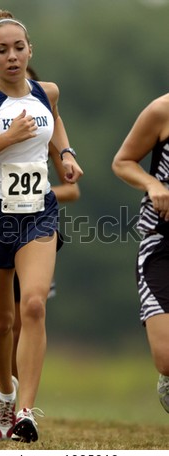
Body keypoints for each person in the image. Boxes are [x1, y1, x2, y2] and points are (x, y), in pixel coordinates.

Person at [0, 8, 83, 442]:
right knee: (1, 321)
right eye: (2, 50)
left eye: (19, 48)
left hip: (38, 211)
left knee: (35, 305)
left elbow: (55, 122)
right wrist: (7, 138)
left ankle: (26, 410)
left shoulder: (48, 92)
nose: (12, 56)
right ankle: (4, 392)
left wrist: (65, 155)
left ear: (30, 51)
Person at [112, 93, 169, 413]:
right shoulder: (161, 111)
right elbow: (122, 161)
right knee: (166, 359)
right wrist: (152, 184)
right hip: (160, 243)